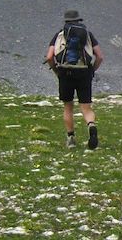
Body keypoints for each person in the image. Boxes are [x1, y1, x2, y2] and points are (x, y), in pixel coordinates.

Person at [45, 9, 104, 150]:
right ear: (79, 20)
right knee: (86, 107)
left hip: (65, 72)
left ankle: (71, 138)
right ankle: (91, 125)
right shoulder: (88, 35)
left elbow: (49, 57)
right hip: (84, 73)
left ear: (65, 21)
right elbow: (100, 56)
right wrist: (92, 70)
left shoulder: (59, 35)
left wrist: (56, 71)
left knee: (68, 106)